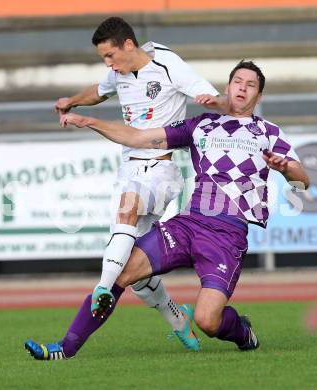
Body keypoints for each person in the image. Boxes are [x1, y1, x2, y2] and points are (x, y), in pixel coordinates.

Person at [25, 60, 309, 360]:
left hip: (227, 236)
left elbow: (302, 180)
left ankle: (242, 331)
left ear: (259, 97)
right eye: (238, 81)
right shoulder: (202, 125)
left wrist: (286, 168)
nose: (242, 87)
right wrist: (89, 122)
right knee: (121, 273)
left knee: (207, 321)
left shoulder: (268, 133)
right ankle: (65, 348)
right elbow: (138, 137)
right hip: (188, 224)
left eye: (251, 85)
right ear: (228, 87)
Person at [54, 16, 228, 350]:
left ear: (128, 45)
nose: (108, 63)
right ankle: (180, 321)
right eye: (103, 58)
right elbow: (98, 91)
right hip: (128, 168)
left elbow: (209, 94)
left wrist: (221, 103)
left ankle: (102, 290)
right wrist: (71, 100)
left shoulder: (167, 64)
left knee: (127, 206)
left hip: (160, 170)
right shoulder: (118, 73)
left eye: (110, 56)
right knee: (137, 272)